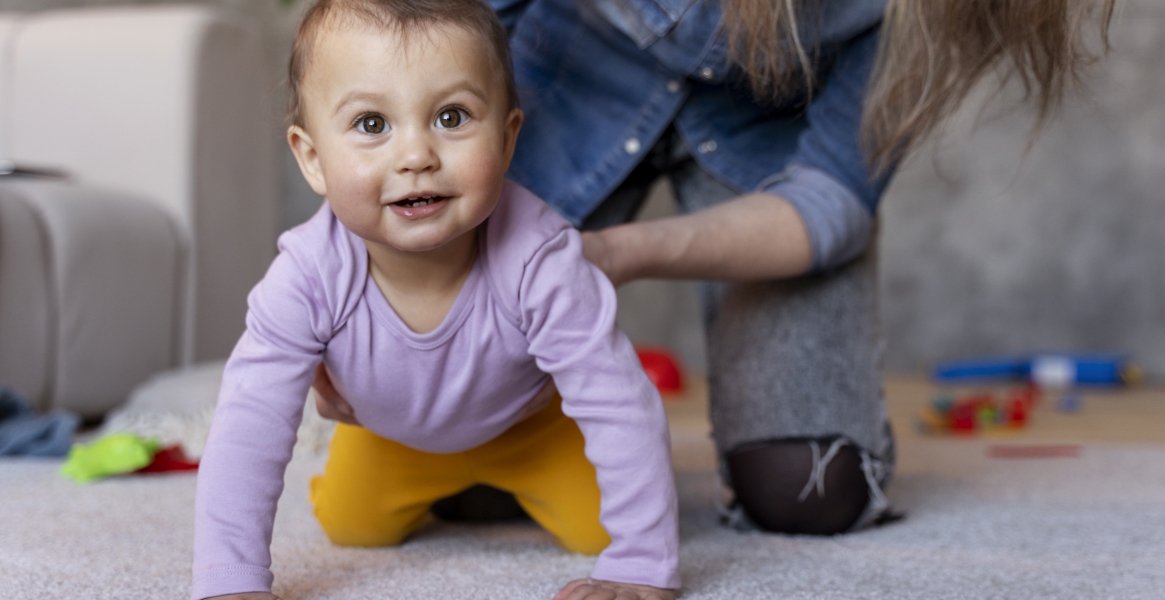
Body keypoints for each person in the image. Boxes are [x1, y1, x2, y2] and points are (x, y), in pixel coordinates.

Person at [314, 0, 1117, 537]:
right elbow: (420, 33)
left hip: (764, 136)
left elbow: (832, 197)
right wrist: (356, 262)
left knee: (810, 489)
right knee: (466, 468)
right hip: (554, 82)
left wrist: (614, 255)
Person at [191, 1, 679, 599]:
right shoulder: (308, 274)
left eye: (452, 116)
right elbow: (251, 420)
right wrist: (229, 578)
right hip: (392, 439)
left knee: (597, 528)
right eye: (372, 124)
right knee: (349, 526)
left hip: (531, 430)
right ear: (313, 158)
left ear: (505, 138)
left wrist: (640, 561)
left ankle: (496, 487)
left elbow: (618, 401)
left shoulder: (540, 259)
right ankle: (460, 489)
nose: (417, 155)